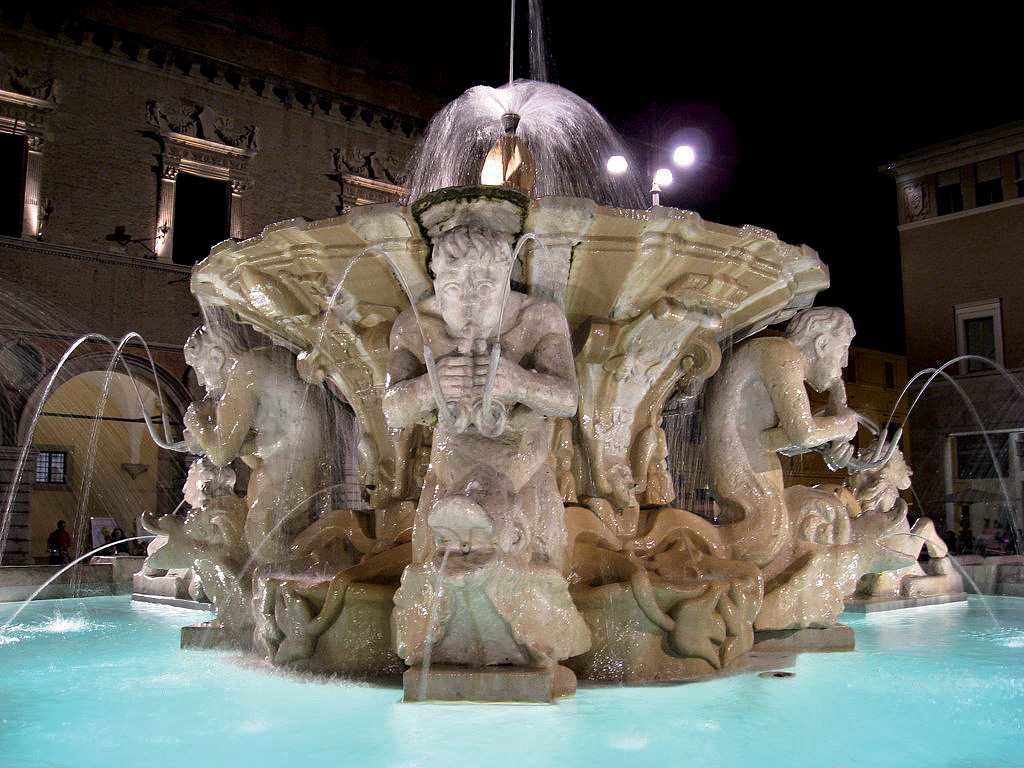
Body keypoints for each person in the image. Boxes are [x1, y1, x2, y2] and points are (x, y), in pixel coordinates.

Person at [705, 307, 859, 566]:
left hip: (751, 460)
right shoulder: (781, 354)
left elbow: (770, 441)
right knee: (766, 539)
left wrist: (829, 434)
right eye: (843, 349)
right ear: (822, 344)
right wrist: (841, 425)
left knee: (776, 537)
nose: (844, 362)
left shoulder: (780, 357)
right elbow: (803, 433)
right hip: (740, 466)